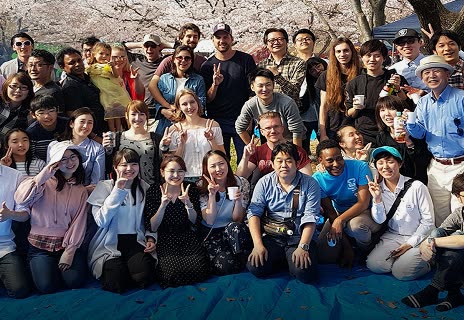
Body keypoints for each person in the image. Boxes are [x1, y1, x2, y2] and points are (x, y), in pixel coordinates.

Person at [14, 142, 88, 294]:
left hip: (65, 245)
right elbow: (21, 199)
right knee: (46, 287)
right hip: (39, 246)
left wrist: (69, 252)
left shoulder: (81, 189)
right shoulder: (40, 183)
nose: (70, 162)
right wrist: (43, 176)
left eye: (73, 157)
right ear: (55, 162)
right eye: (64, 159)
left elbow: (79, 222)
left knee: (74, 282)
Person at [246, 142, 321, 283]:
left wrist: (303, 247)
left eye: (289, 161)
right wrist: (258, 245)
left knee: (304, 273)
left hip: (299, 237)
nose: (283, 165)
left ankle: (290, 259)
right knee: (255, 267)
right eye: (279, 161)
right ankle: (284, 259)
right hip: (273, 236)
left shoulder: (310, 184)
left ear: (297, 163)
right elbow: (253, 213)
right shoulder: (264, 183)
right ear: (273, 164)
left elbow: (311, 216)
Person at [405, 54, 464, 227]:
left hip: (461, 165)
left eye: (436, 71)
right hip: (436, 166)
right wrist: (409, 124)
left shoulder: (461, 98)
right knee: (439, 216)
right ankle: (442, 250)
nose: (431, 75)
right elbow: (420, 134)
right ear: (422, 78)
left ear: (447, 74)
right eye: (426, 72)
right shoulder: (423, 103)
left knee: (460, 213)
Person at [87, 148, 157, 293]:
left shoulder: (144, 187)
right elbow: (101, 221)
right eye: (123, 165)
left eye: (133, 164)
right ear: (115, 167)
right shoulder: (104, 186)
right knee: (116, 282)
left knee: (143, 278)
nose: (129, 168)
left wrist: (151, 237)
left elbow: (150, 219)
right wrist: (118, 191)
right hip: (109, 243)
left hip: (135, 241)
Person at [365, 146, 433, 280]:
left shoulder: (417, 187)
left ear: (400, 164)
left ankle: (430, 261)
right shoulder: (378, 188)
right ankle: (405, 261)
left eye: (390, 161)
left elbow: (429, 222)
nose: (385, 166)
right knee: (374, 265)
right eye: (380, 163)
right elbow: (379, 220)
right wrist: (377, 199)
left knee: (401, 273)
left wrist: (410, 244)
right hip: (393, 236)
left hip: (419, 236)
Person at [401, 173, 464, 311]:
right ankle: (454, 293)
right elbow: (439, 231)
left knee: (455, 244)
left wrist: (432, 241)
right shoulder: (460, 212)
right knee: (439, 234)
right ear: (458, 197)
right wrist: (428, 242)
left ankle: (434, 289)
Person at [312, 139, 380, 267]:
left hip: (365, 212)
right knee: (324, 255)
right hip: (339, 213)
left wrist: (340, 221)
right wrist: (346, 247)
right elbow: (330, 212)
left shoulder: (360, 167)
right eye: (330, 160)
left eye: (339, 158)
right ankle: (350, 244)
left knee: (356, 226)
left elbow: (363, 203)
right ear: (320, 160)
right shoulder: (317, 179)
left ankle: (366, 249)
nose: (336, 164)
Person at [145, 155, 209, 288]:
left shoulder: (190, 189)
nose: (176, 175)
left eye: (180, 171)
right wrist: (162, 205)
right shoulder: (154, 191)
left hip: (187, 236)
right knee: (171, 274)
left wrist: (188, 204)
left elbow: (194, 221)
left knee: (199, 270)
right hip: (165, 238)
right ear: (162, 172)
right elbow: (153, 226)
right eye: (171, 171)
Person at [200, 23, 256, 162]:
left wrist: (249, 117)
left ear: (231, 39)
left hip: (242, 119)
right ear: (212, 40)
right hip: (217, 120)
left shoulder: (245, 60)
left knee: (246, 159)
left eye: (225, 37)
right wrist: (215, 84)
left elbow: (253, 91)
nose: (222, 41)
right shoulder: (207, 66)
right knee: (220, 160)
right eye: (218, 37)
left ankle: (245, 184)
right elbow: (207, 99)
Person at [345, 39, 410, 146]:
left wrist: (398, 89)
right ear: (362, 57)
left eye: (377, 56)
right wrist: (356, 108)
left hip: (392, 131)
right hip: (365, 133)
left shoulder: (394, 78)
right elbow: (348, 113)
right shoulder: (354, 83)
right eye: (368, 55)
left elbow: (406, 104)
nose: (372, 59)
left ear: (384, 58)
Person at [199, 150, 251, 275]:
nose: (218, 169)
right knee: (225, 267)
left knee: (237, 228)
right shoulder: (200, 186)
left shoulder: (242, 183)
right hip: (211, 232)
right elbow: (210, 220)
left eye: (221, 164)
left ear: (228, 163)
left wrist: (238, 201)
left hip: (232, 230)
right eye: (212, 166)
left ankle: (239, 255)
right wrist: (211, 195)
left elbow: (237, 219)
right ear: (206, 169)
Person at [161, 89, 224, 182]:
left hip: (209, 177)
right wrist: (181, 144)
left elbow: (222, 156)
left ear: (197, 103)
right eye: (184, 104)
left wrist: (211, 139)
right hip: (185, 178)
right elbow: (174, 162)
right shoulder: (174, 130)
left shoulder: (213, 125)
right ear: (179, 107)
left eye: (192, 102)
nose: (190, 107)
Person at [235, 68, 305, 147]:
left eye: (268, 85)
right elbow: (240, 127)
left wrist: (296, 154)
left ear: (273, 85)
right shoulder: (250, 105)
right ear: (252, 87)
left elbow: (297, 131)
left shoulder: (287, 103)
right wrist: (254, 148)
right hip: (269, 142)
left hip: (291, 141)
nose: (264, 89)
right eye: (260, 86)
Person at [148, 23, 206, 114]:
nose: (192, 39)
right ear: (181, 39)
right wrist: (167, 107)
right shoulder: (168, 61)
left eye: (195, 37)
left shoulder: (202, 62)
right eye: (188, 36)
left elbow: (203, 95)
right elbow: (152, 85)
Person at [236, 111, 312, 181]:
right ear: (262, 132)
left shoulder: (298, 151)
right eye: (268, 128)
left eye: (276, 126)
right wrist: (245, 158)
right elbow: (240, 178)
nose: (272, 131)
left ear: (282, 128)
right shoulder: (257, 151)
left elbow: (308, 180)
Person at [102, 100, 162, 185]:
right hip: (124, 186)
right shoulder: (118, 138)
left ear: (147, 116)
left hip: (150, 187)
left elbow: (161, 163)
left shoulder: (156, 138)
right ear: (126, 115)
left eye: (141, 114)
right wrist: (108, 150)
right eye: (133, 114)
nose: (137, 118)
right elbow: (109, 166)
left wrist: (165, 147)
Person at [375, 95, 431, 184]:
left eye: (391, 109)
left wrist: (408, 141)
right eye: (382, 110)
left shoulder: (416, 133)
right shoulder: (382, 137)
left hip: (417, 183)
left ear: (401, 112)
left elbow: (422, 162)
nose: (387, 114)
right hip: (394, 184)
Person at [48, 107, 105, 193]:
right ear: (71, 123)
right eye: (82, 122)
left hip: (85, 195)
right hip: (58, 193)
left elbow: (97, 181)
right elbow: (49, 174)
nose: (86, 126)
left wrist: (78, 193)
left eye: (90, 123)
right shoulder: (55, 146)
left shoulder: (97, 149)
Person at [153, 45, 206, 136]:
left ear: (191, 61)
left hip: (190, 126)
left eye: (187, 58)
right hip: (166, 125)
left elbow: (201, 102)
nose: (183, 61)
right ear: (174, 59)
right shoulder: (164, 79)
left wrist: (182, 112)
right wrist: (163, 111)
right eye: (179, 57)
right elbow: (157, 101)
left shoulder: (198, 80)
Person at [316, 37, 360, 141]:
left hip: (356, 126)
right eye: (338, 51)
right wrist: (323, 133)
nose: (342, 54)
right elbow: (324, 106)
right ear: (334, 54)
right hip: (333, 127)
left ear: (352, 52)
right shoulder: (326, 76)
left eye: (346, 50)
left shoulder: (361, 74)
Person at [57, 47, 106, 136]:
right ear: (63, 67)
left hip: (102, 127)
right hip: (91, 134)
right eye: (72, 63)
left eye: (79, 60)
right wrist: (93, 137)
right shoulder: (70, 86)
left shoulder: (88, 78)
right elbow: (73, 115)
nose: (77, 64)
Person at [0, 162, 31, 298]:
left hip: (4, 246)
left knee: (19, 289)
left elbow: (25, 214)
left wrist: (10, 214)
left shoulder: (14, 175)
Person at [86, 42, 131, 132]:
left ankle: (118, 131)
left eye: (107, 54)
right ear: (94, 54)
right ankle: (112, 131)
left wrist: (113, 67)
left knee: (117, 113)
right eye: (101, 53)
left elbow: (115, 75)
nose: (104, 56)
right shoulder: (90, 67)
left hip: (113, 92)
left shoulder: (108, 66)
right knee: (109, 113)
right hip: (103, 92)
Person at [257, 28, 306, 109]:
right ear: (266, 44)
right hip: (267, 111)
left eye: (280, 39)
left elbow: (294, 92)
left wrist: (277, 75)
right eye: (272, 40)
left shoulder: (298, 63)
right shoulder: (261, 64)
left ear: (286, 42)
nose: (276, 42)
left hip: (290, 111)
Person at [127, 34, 169, 118]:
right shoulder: (137, 60)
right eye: (146, 46)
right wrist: (139, 44)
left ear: (159, 47)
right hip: (140, 108)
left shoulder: (166, 62)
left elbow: (182, 49)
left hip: (159, 108)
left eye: (153, 46)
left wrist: (165, 45)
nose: (149, 49)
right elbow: (118, 47)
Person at [27, 95, 68, 162]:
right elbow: (31, 156)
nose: (47, 116)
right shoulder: (32, 132)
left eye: (51, 111)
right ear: (33, 114)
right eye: (41, 113)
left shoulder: (68, 124)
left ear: (57, 110)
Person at [300, 57, 327, 153]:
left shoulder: (331, 79)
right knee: (305, 145)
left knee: (324, 141)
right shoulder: (308, 83)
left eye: (318, 66)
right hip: (307, 118)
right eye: (312, 70)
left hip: (321, 118)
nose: (317, 71)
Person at [0, 73, 34, 149]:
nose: (18, 90)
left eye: (23, 87)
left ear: (29, 91)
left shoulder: (29, 113)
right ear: (6, 86)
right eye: (14, 86)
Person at [389, 28, 428, 93]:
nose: (406, 46)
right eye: (401, 43)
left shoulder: (431, 63)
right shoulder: (393, 69)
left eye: (410, 41)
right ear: (396, 47)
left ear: (420, 42)